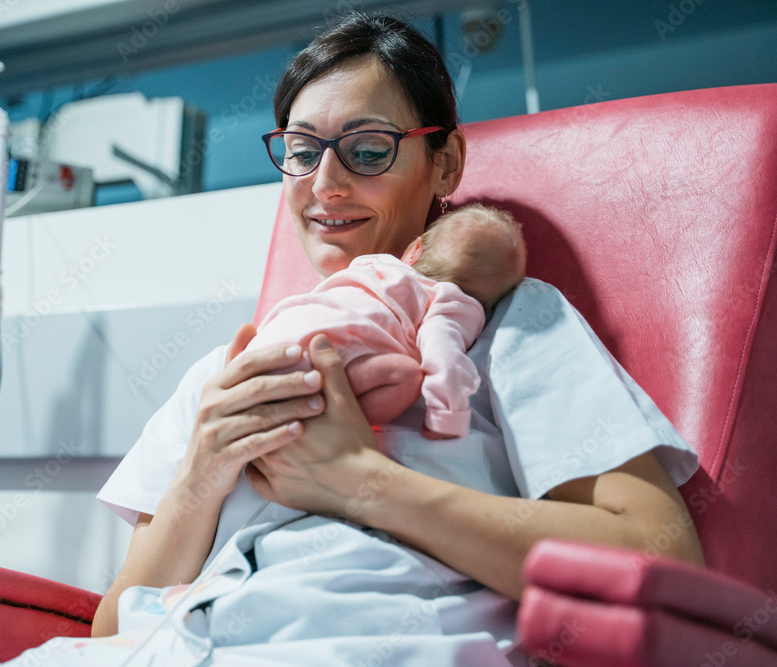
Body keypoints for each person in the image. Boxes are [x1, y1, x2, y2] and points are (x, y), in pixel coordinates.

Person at [87, 12, 703, 666]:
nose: (325, 184)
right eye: (302, 150)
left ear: (446, 164)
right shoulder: (229, 372)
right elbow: (108, 635)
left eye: (369, 148)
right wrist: (199, 474)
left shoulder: (506, 324)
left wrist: (361, 482)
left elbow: (658, 558)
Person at [240, 203, 526, 440]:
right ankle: (332, 427)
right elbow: (444, 355)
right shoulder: (451, 302)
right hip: (318, 370)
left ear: (414, 250)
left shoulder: (372, 264)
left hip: (268, 346)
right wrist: (446, 417)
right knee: (408, 374)